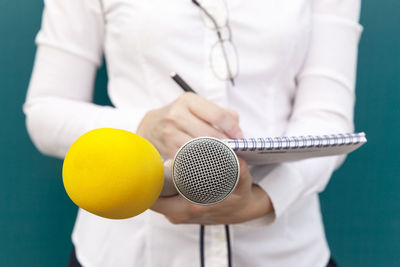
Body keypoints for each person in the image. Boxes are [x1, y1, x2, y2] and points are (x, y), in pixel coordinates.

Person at [23, 0, 362, 266]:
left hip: (283, 252)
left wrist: (267, 198)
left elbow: (327, 118)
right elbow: (45, 110)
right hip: (130, 251)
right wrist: (145, 127)